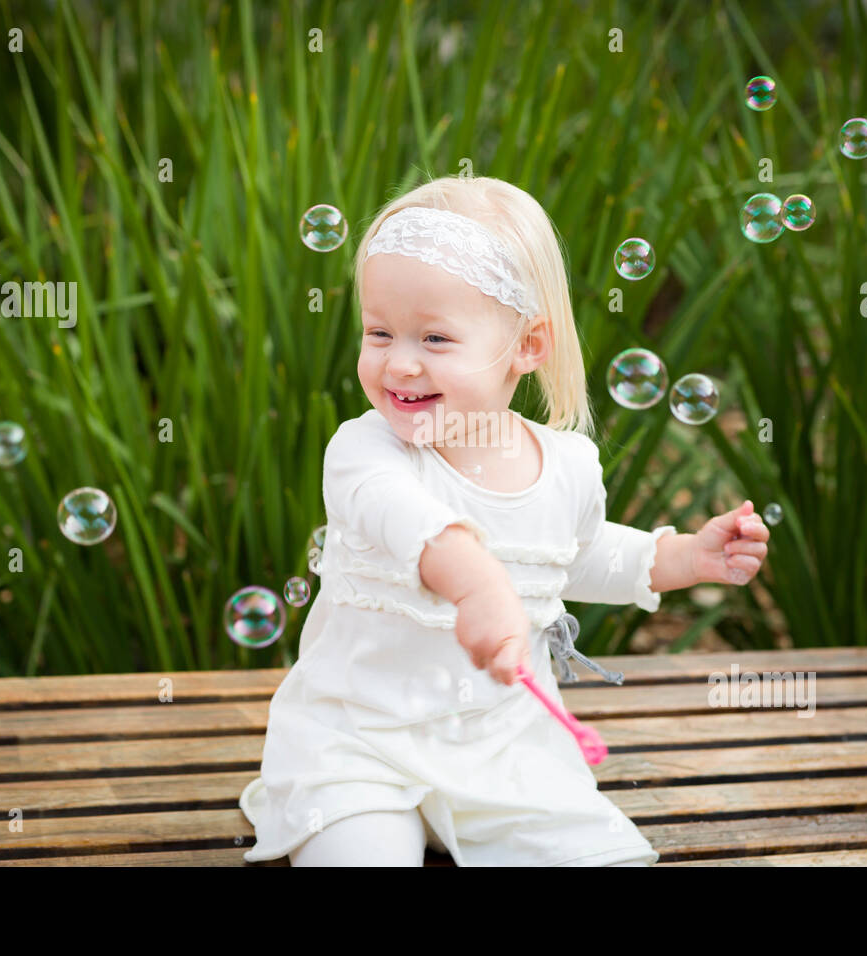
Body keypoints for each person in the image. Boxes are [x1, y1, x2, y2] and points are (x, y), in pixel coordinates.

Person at [239, 175, 769, 866]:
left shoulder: (567, 464)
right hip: (357, 744)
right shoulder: (366, 451)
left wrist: (680, 559)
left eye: (434, 336)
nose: (400, 360)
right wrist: (478, 585)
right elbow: (408, 521)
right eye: (379, 332)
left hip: (502, 747)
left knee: (597, 855)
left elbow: (573, 555)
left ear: (527, 346)